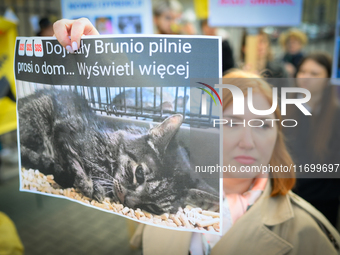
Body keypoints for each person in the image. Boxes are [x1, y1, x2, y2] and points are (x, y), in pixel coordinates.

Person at [52, 19, 340, 254]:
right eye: (232, 123)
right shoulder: (161, 200)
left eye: (263, 126)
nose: (248, 141)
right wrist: (95, 52)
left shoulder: (309, 234)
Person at [284, 52, 340, 228]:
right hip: (288, 197)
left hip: (323, 202)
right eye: (302, 71)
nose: (306, 77)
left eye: (314, 73)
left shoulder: (335, 115)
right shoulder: (284, 110)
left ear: (327, 79)